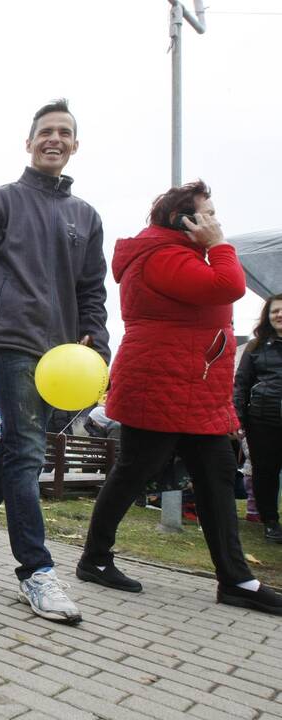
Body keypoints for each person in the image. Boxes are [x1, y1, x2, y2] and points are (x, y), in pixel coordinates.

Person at [0, 99, 109, 624]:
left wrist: (98, 342)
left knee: (14, 450)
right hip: (8, 340)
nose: (55, 139)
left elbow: (92, 290)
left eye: (65, 133)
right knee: (28, 452)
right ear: (28, 142)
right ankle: (36, 569)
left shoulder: (86, 217)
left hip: (63, 358)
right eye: (46, 132)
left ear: (75, 145)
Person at [78, 181, 282, 615]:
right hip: (162, 384)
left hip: (191, 388)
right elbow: (228, 286)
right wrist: (220, 245)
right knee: (136, 470)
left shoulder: (174, 252)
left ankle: (236, 580)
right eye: (206, 213)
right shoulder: (162, 256)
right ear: (183, 220)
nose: (214, 220)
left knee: (217, 474)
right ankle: (94, 559)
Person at [234, 293, 282, 543]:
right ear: (268, 316)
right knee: (266, 472)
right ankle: (270, 522)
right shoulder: (255, 347)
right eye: (275, 311)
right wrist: (238, 418)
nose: (280, 315)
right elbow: (241, 384)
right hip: (263, 420)